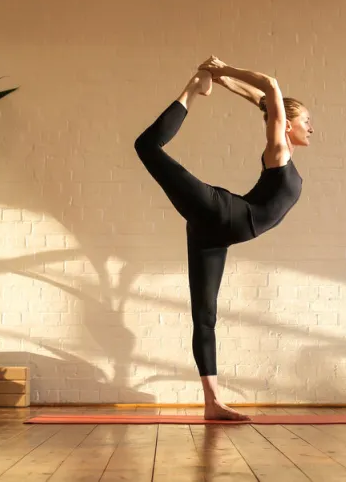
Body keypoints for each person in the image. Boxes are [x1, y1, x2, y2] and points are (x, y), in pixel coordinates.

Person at [134, 56, 314, 420]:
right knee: (146, 147)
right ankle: (191, 91)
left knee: (204, 316)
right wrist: (225, 69)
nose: (311, 129)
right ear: (289, 123)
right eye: (307, 122)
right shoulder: (278, 150)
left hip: (215, 235)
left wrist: (222, 79)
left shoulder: (285, 152)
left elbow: (264, 100)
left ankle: (212, 403)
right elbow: (271, 87)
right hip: (221, 213)